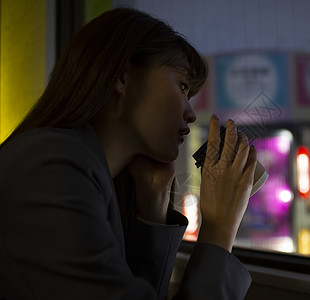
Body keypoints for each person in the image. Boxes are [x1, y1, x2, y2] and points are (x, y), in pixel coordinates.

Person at [0, 7, 257, 300]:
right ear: (122, 77)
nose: (189, 113)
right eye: (182, 87)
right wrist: (218, 232)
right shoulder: (50, 167)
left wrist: (153, 204)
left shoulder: (82, 172)